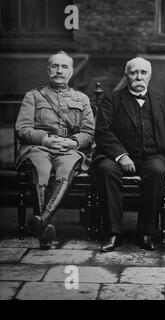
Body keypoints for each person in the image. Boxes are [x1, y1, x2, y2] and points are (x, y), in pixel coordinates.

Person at [93, 57, 165, 252]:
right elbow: (102, 132)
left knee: (158, 170)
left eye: (143, 72)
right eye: (133, 72)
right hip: (117, 156)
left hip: (152, 155)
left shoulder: (163, 100)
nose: (138, 76)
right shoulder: (112, 99)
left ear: (150, 76)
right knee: (106, 169)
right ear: (127, 75)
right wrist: (121, 156)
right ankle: (113, 232)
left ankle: (146, 232)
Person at [16, 51, 95, 249]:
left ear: (71, 72)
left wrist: (73, 143)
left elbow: (88, 132)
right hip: (39, 147)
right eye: (55, 66)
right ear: (48, 69)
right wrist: (45, 139)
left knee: (65, 170)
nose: (59, 71)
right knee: (41, 168)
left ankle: (41, 221)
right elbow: (23, 129)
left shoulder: (82, 98)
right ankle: (44, 227)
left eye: (64, 67)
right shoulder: (33, 96)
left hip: (68, 148)